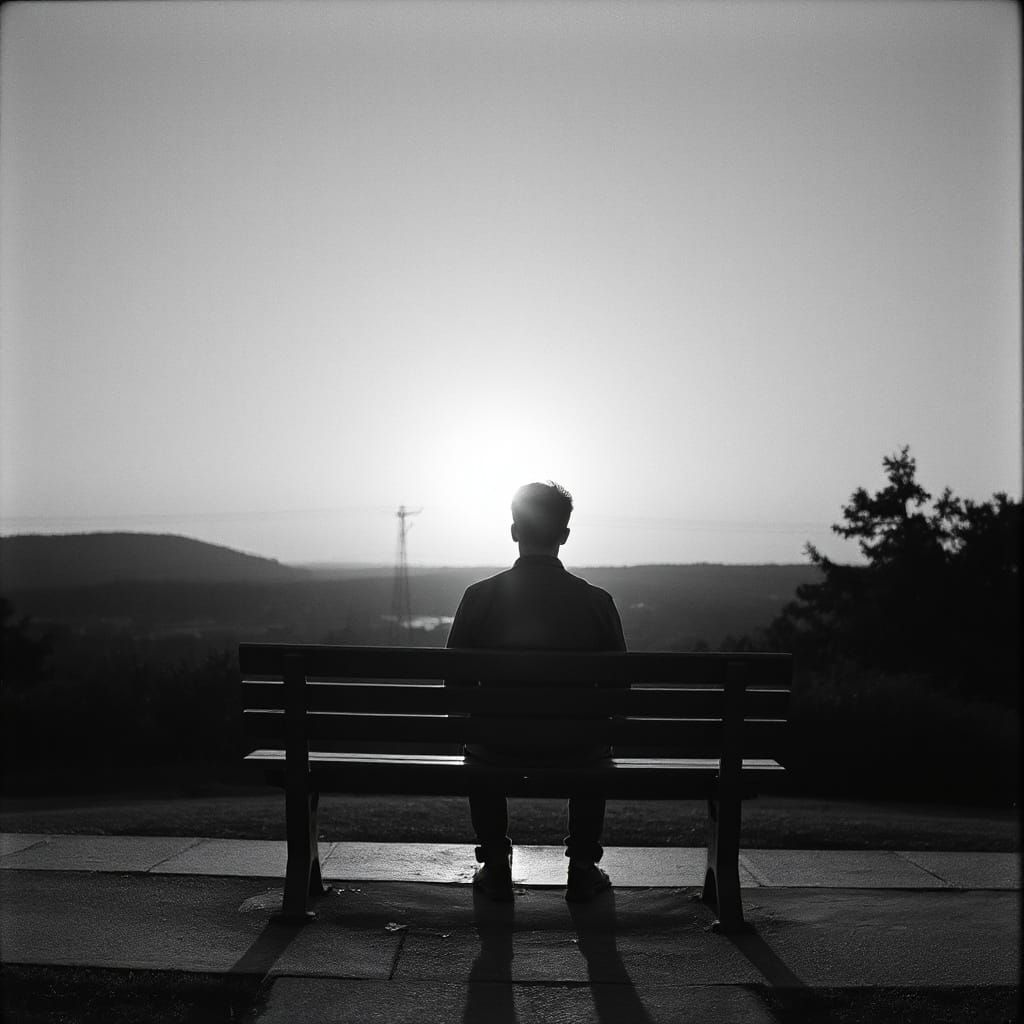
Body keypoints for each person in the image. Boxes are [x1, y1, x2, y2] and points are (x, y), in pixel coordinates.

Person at [446, 481, 627, 903]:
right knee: (595, 741)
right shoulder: (597, 602)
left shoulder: (479, 598)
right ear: (564, 535)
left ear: (514, 532)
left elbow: (454, 686)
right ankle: (582, 866)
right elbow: (619, 692)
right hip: (577, 749)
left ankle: (494, 864)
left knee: (480, 738)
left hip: (496, 747)